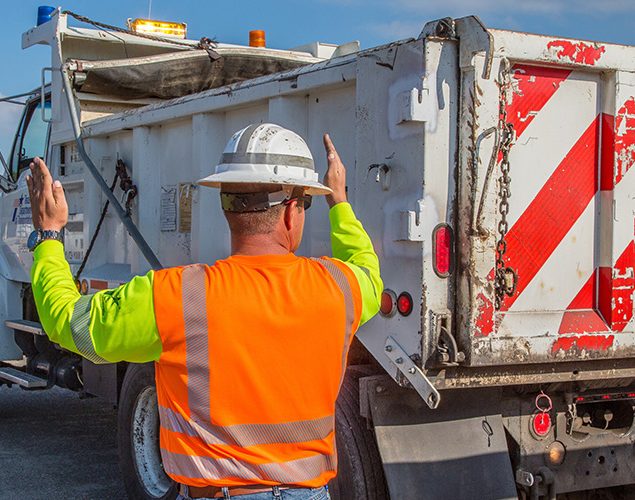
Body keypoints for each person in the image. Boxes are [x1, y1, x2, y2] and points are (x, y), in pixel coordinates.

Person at [26, 123, 381, 500]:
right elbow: (367, 270)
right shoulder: (339, 287)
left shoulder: (177, 295)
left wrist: (48, 237)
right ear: (292, 213)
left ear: (226, 205)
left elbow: (69, 322)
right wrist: (338, 202)